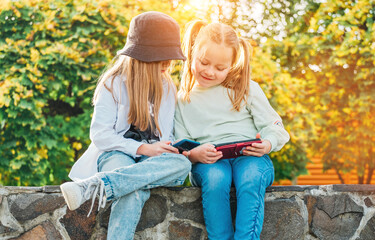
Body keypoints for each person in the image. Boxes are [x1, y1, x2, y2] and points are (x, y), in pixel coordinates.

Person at [60, 12, 191, 240]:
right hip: (115, 153)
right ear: (144, 57)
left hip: (151, 159)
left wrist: (167, 146)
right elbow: (101, 135)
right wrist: (142, 149)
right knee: (133, 189)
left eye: (171, 57)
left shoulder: (168, 88)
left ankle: (96, 186)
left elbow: (165, 133)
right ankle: (109, 184)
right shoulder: (113, 84)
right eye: (163, 57)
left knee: (181, 165)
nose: (169, 64)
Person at [174, 20, 290, 240]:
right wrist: (194, 154)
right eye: (204, 62)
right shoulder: (182, 99)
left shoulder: (245, 89)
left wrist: (267, 144)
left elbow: (274, 127)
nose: (210, 72)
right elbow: (181, 144)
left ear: (232, 65)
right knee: (216, 180)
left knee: (251, 178)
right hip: (208, 163)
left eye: (220, 68)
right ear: (192, 52)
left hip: (250, 158)